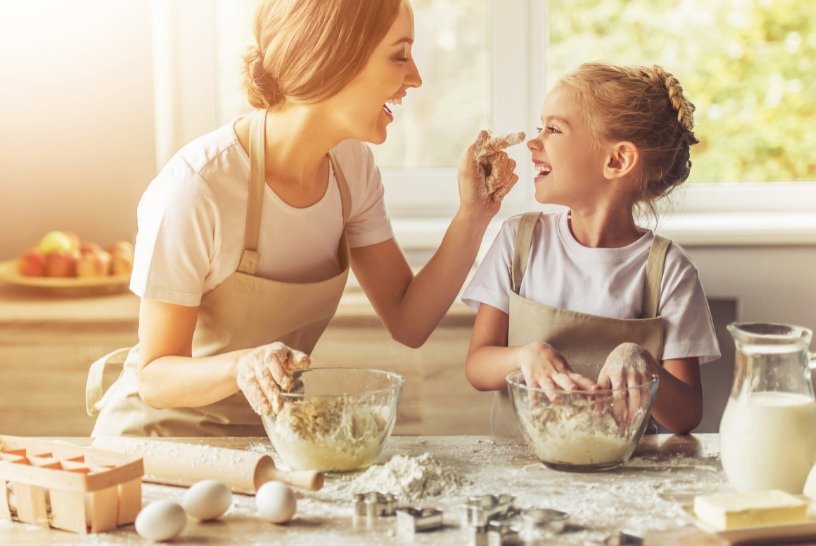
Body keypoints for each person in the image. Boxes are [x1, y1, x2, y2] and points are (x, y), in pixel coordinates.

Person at [86, 0, 519, 437]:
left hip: (267, 437)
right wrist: (243, 365)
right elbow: (155, 377)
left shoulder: (352, 169)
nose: (415, 78)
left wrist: (474, 214)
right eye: (399, 55)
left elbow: (409, 322)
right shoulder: (199, 186)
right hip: (159, 440)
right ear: (332, 59)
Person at [462, 62, 720, 436]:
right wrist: (524, 356)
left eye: (553, 129)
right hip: (519, 473)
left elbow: (687, 415)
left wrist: (644, 364)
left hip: (622, 477)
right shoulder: (518, 241)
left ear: (617, 160)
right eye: (540, 127)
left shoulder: (668, 270)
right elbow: (477, 367)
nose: (534, 143)